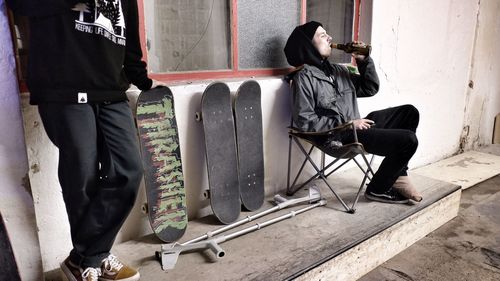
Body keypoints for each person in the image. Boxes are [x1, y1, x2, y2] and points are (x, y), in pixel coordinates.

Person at [7, 0, 166, 280]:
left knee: (129, 170)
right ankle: (95, 258)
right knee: (81, 173)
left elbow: (127, 38)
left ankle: (85, 257)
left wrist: (141, 78)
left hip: (111, 89)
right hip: (64, 87)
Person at [284, 21, 422, 204]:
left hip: (357, 127)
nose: (330, 38)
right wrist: (347, 125)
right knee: (408, 141)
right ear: (308, 44)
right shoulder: (303, 78)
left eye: (327, 34)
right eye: (322, 35)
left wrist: (363, 61)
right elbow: (305, 121)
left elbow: (370, 87)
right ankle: (377, 189)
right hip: (338, 137)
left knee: (409, 113)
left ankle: (397, 175)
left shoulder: (338, 70)